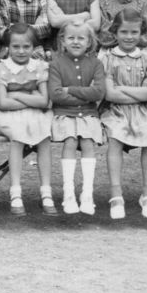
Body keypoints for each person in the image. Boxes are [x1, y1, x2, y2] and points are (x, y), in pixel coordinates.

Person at [100, 9, 147, 220]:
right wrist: (137, 93)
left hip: (143, 111)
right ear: (115, 32)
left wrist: (123, 89)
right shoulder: (107, 58)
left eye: (134, 32)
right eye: (124, 32)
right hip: (114, 110)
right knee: (115, 137)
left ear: (141, 33)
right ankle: (116, 195)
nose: (129, 36)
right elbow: (110, 94)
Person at [0, 24, 55, 216]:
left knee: (44, 136)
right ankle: (15, 192)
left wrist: (16, 94)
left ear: (33, 47)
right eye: (16, 47)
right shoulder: (2, 68)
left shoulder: (40, 67)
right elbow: (2, 103)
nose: (21, 51)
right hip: (9, 116)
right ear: (8, 47)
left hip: (37, 114)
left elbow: (44, 101)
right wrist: (30, 96)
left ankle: (46, 192)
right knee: (18, 136)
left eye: (26, 47)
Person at [48, 21, 105, 215]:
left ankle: (87, 194)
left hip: (88, 114)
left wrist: (70, 89)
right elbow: (56, 95)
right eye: (71, 37)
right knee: (70, 140)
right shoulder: (56, 64)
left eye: (81, 38)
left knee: (87, 141)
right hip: (63, 114)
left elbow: (98, 92)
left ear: (89, 42)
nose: (76, 42)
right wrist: (85, 94)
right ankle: (69, 193)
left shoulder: (96, 64)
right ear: (63, 40)